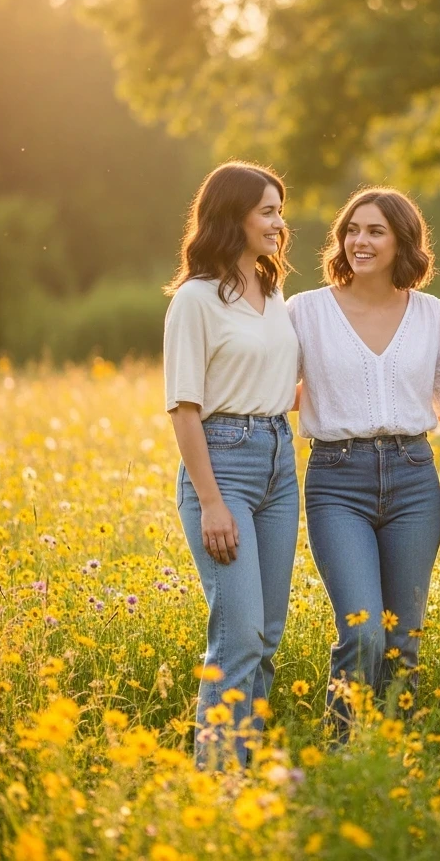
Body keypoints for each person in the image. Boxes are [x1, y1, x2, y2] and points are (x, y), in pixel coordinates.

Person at [287, 188, 440, 734]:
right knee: (363, 632)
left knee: (404, 636)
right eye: (352, 229)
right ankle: (343, 750)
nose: (360, 240)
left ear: (403, 239)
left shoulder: (432, 314)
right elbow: (270, 386)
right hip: (337, 479)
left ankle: (396, 754)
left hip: (414, 478)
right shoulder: (305, 310)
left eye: (375, 231)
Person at [163, 161, 300, 767]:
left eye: (279, 210)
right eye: (266, 211)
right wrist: (213, 501)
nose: (278, 222)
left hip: (279, 461)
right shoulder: (195, 300)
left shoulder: (274, 298)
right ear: (232, 216)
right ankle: (217, 780)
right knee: (238, 634)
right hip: (223, 467)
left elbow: (279, 383)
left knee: (266, 637)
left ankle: (246, 764)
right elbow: (184, 409)